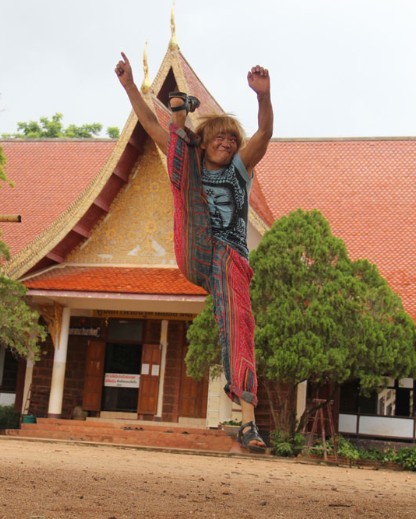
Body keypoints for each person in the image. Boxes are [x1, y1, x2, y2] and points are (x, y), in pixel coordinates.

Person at [115, 52, 273, 452]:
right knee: (177, 152)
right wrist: (130, 86)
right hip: (195, 246)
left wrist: (263, 97)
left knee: (239, 324)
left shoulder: (239, 168)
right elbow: (148, 125)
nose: (226, 142)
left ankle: (248, 423)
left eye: (231, 139)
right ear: (204, 142)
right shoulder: (192, 163)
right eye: (218, 137)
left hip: (230, 256)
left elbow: (265, 132)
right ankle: (180, 121)